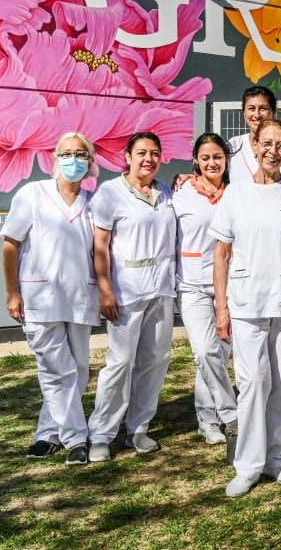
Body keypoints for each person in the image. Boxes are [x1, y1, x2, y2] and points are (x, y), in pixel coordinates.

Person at [210, 119, 281, 498]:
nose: (273, 151)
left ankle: (278, 460)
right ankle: (249, 465)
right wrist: (221, 307)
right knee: (254, 383)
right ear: (254, 146)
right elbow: (221, 254)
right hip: (246, 303)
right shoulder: (235, 194)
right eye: (267, 143)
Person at [0, 131, 100, 466]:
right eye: (67, 153)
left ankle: (47, 434)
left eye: (81, 154)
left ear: (90, 162)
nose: (73, 160)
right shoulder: (32, 194)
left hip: (81, 297)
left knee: (78, 371)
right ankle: (76, 438)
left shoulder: (93, 203)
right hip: (39, 296)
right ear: (55, 158)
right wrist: (12, 292)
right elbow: (10, 244)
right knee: (56, 370)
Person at [86, 132, 177, 462]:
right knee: (120, 363)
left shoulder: (165, 191)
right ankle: (101, 433)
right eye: (141, 153)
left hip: (162, 290)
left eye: (154, 153)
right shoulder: (109, 193)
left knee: (155, 361)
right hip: (127, 293)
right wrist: (105, 288)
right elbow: (100, 246)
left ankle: (138, 428)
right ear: (127, 156)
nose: (148, 159)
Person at [173, 133, 238, 446]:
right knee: (205, 351)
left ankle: (207, 420)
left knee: (216, 356)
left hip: (230, 286)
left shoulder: (237, 192)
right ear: (196, 161)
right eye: (206, 158)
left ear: (226, 160)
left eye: (218, 157)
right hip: (194, 285)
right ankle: (230, 412)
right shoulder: (181, 193)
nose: (212, 163)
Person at [227, 85, 277, 183]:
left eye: (263, 108)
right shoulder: (233, 145)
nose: (257, 115)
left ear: (273, 111)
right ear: (244, 112)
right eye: (251, 109)